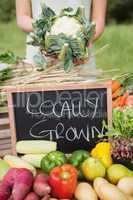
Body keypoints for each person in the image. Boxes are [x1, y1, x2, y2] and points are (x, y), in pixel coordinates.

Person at [16, 0, 107, 66]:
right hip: (40, 59)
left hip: (80, 62)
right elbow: (22, 17)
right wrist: (45, 34)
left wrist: (85, 43)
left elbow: (98, 19)